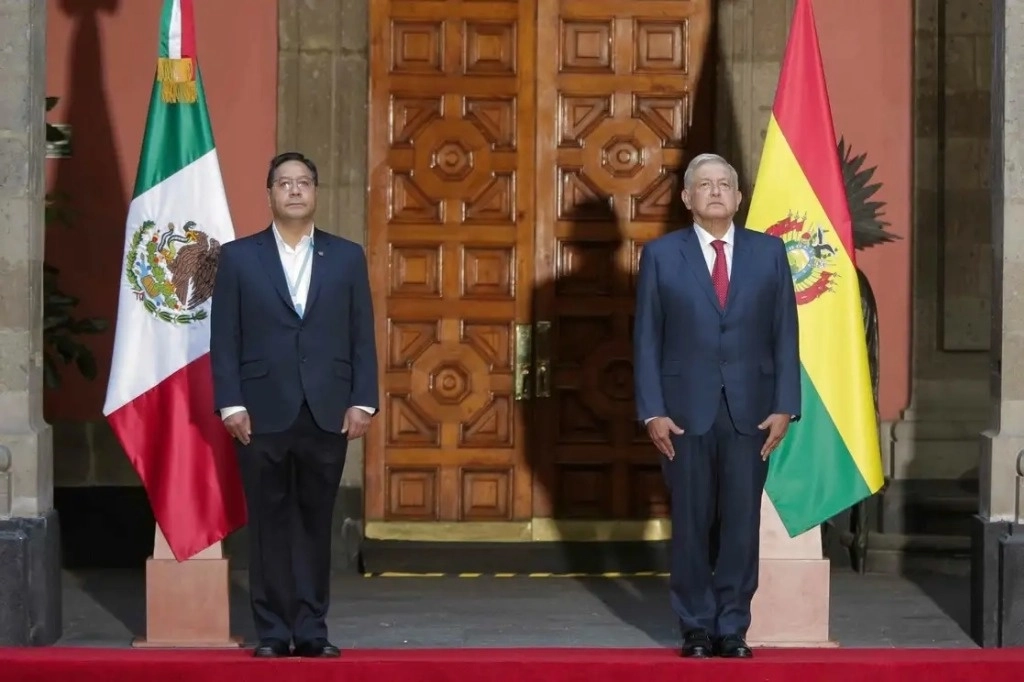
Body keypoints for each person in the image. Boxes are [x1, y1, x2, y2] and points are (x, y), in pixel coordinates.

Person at [210, 151, 378, 658]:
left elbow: (360, 334)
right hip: (259, 412)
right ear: (270, 193)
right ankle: (271, 632)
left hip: (328, 410)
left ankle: (311, 630)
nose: (295, 190)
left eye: (304, 182)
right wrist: (230, 404)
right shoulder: (239, 258)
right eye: (285, 183)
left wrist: (363, 402)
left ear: (316, 192)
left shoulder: (346, 257)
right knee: (269, 524)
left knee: (313, 524)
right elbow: (225, 338)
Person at [632, 153, 800, 659]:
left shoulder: (769, 253)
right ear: (687, 199)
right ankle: (695, 627)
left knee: (740, 525)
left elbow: (785, 335)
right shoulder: (662, 255)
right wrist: (652, 410)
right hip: (683, 414)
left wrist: (785, 405)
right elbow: (647, 339)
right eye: (704, 185)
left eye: (725, 184)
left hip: (751, 411)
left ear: (739, 197)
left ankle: (732, 626)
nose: (716, 191)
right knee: (690, 523)